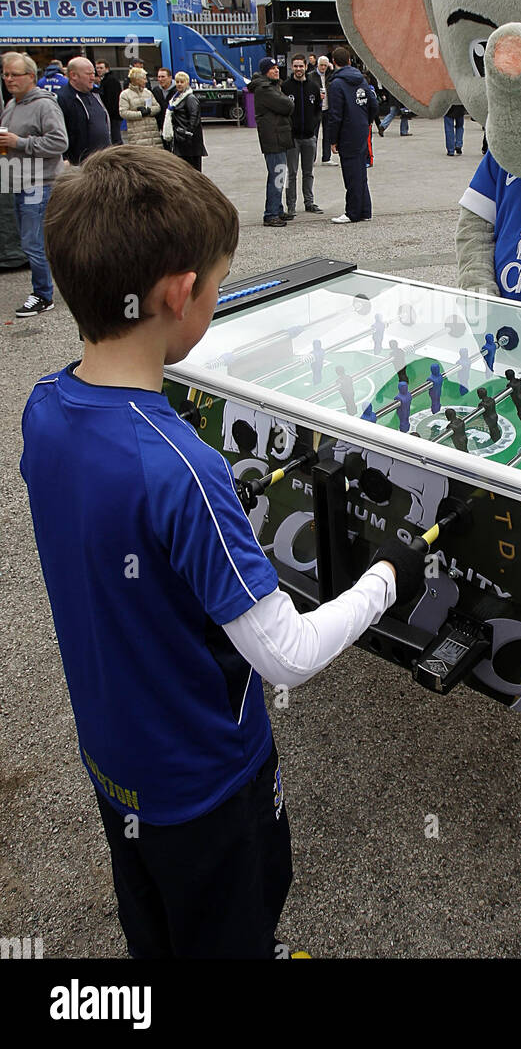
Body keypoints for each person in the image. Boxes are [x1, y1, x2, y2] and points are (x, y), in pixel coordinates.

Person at [20, 145, 425, 959]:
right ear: (180, 294)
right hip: (207, 777)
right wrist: (389, 576)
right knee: (236, 916)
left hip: (115, 757)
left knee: (154, 917)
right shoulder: (182, 468)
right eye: (215, 283)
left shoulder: (41, 408)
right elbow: (286, 654)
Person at [0, 50, 68, 315]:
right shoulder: (12, 104)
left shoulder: (44, 104)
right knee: (36, 241)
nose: (8, 79)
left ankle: (43, 294)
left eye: (14, 75)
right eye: (5, 74)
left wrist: (20, 143)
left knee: (33, 242)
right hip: (18, 182)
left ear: (31, 76)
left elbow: (60, 142)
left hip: (38, 184)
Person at [328, 45, 378, 224]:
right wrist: (367, 121)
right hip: (361, 130)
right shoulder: (361, 80)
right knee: (361, 172)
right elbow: (373, 103)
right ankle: (364, 209)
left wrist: (333, 139)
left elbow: (335, 114)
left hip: (347, 133)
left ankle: (353, 212)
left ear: (334, 62)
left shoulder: (336, 84)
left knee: (351, 173)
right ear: (349, 61)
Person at [250, 57, 294, 225]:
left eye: (277, 67)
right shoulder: (265, 89)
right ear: (265, 71)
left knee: (279, 175)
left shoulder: (272, 86)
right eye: (272, 68)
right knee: (277, 175)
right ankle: (271, 214)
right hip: (273, 138)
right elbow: (288, 105)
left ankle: (277, 208)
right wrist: (287, 103)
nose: (276, 70)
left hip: (278, 137)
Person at [281, 54, 322, 214]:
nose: (298, 69)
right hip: (292, 139)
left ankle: (309, 202)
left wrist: (313, 124)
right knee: (291, 174)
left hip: (309, 137)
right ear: (292, 67)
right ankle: (291, 206)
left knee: (308, 172)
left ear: (306, 67)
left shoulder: (313, 86)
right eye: (295, 66)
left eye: (301, 66)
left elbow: (319, 108)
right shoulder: (285, 87)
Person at [58, 56, 111, 165]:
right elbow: (58, 132)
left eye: (93, 73)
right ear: (73, 75)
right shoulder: (63, 99)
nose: (93, 77)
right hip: (80, 166)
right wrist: (64, 159)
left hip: (103, 162)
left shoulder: (95, 94)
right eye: (88, 74)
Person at [164, 71, 207, 171]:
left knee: (192, 169)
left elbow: (194, 117)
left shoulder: (190, 98)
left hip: (189, 142)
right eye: (177, 82)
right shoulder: (175, 98)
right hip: (180, 139)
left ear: (187, 83)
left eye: (182, 82)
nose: (179, 84)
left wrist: (187, 133)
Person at [119, 68, 162, 148]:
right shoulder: (125, 95)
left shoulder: (148, 92)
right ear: (137, 80)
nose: (146, 81)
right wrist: (140, 114)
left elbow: (157, 107)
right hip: (137, 135)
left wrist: (149, 111)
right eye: (144, 79)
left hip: (153, 134)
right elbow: (123, 113)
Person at [95, 61, 123, 145]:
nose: (99, 70)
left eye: (101, 68)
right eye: (97, 68)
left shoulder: (111, 81)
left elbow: (112, 99)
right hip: (111, 114)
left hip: (113, 115)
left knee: (115, 137)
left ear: (107, 68)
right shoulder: (104, 80)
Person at [313, 56, 334, 163]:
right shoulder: (311, 76)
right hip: (316, 109)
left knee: (328, 134)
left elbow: (337, 73)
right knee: (314, 135)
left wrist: (332, 68)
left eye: (325, 65)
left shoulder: (330, 75)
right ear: (317, 64)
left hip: (327, 108)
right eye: (321, 65)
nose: (323, 67)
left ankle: (327, 157)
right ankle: (312, 158)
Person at [152, 67, 176, 148]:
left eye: (163, 77)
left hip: (174, 127)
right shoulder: (156, 91)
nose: (160, 79)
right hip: (162, 127)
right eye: (159, 77)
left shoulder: (177, 91)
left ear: (170, 78)